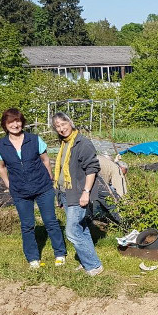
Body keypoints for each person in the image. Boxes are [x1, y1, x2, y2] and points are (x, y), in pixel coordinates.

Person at [0, 108, 67, 270]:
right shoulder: (0, 145)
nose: (15, 124)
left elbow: (46, 161)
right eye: (11, 122)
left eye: (18, 121)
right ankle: (33, 258)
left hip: (42, 187)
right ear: (5, 125)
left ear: (22, 122)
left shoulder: (34, 140)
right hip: (20, 191)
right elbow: (1, 167)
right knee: (27, 225)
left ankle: (60, 253)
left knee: (50, 221)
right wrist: (9, 184)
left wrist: (49, 180)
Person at [52, 112, 104, 276]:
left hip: (78, 193)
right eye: (57, 126)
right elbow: (61, 171)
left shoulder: (82, 143)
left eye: (63, 124)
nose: (61, 128)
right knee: (81, 228)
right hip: (66, 193)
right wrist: (59, 195)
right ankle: (87, 260)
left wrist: (86, 192)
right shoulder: (64, 143)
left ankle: (94, 265)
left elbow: (92, 169)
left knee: (72, 231)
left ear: (70, 122)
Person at [94, 154, 128, 224]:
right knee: (111, 202)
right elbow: (121, 190)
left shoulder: (103, 161)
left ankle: (94, 219)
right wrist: (125, 205)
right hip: (97, 183)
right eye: (123, 173)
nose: (123, 175)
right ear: (120, 168)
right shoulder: (115, 168)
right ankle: (124, 224)